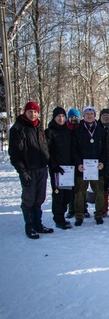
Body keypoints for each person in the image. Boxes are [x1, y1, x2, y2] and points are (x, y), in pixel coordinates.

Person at [9, 101, 52, 239]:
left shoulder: (39, 127)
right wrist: (22, 172)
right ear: (25, 112)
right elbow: (15, 154)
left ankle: (38, 224)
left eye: (35, 112)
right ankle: (29, 226)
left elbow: (44, 148)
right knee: (29, 199)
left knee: (40, 198)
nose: (32, 114)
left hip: (41, 168)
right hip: (28, 170)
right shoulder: (18, 129)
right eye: (30, 112)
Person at [72, 106, 108, 226]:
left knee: (99, 191)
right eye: (87, 114)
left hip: (97, 167)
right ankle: (79, 215)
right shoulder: (77, 130)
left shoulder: (101, 130)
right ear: (83, 116)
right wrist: (78, 163)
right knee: (80, 192)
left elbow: (105, 150)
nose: (89, 116)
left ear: (95, 115)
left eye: (91, 113)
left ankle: (99, 214)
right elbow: (74, 150)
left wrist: (102, 162)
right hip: (83, 167)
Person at [45, 107, 74, 230]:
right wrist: (53, 165)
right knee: (58, 194)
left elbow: (73, 149)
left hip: (68, 169)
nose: (61, 119)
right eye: (58, 116)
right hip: (57, 169)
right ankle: (58, 218)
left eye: (63, 116)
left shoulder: (68, 131)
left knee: (67, 194)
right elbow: (46, 151)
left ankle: (62, 215)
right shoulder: (49, 132)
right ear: (54, 117)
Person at [65, 108, 81, 219]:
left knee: (81, 187)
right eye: (72, 117)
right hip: (68, 161)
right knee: (71, 187)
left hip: (80, 160)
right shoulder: (65, 128)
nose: (74, 119)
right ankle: (71, 208)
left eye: (76, 117)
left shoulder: (81, 128)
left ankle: (82, 208)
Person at [100, 108, 109, 218]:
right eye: (103, 115)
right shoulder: (97, 127)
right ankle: (103, 209)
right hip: (101, 161)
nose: (105, 117)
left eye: (107, 115)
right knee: (103, 186)